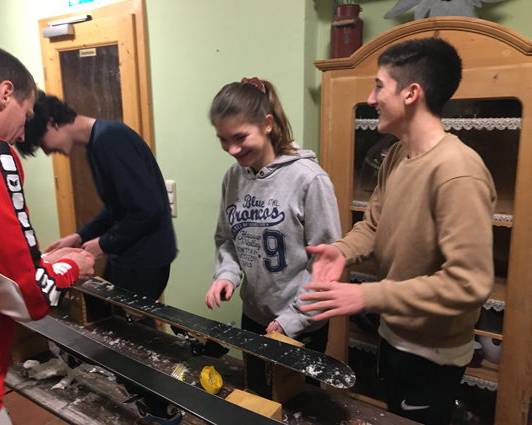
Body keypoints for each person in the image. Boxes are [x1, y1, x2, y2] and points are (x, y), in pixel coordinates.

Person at [300, 38, 497, 425]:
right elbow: (374, 225)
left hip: (433, 354)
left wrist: (366, 295)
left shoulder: (458, 171)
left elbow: (468, 283)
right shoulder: (398, 155)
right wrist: (342, 251)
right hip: (395, 334)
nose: (371, 99)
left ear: (411, 93)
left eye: (379, 86)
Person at [0, 44, 95, 425]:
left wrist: (40, 261)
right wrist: (70, 266)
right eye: (26, 113)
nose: (24, 133)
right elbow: (29, 296)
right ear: (5, 94)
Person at [205, 77, 341, 357]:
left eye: (240, 137)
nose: (232, 150)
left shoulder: (309, 179)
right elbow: (227, 238)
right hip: (254, 316)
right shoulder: (233, 177)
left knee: (295, 389)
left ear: (267, 124)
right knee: (256, 384)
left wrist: (293, 319)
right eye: (223, 139)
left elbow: (326, 261)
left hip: (301, 323)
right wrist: (226, 274)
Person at [19, 92, 177, 305]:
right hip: (131, 256)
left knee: (127, 322)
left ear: (52, 123)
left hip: (144, 260)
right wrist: (79, 236)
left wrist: (103, 244)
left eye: (41, 142)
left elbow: (147, 209)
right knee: (112, 316)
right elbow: (115, 209)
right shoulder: (96, 143)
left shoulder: (110, 139)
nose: (47, 151)